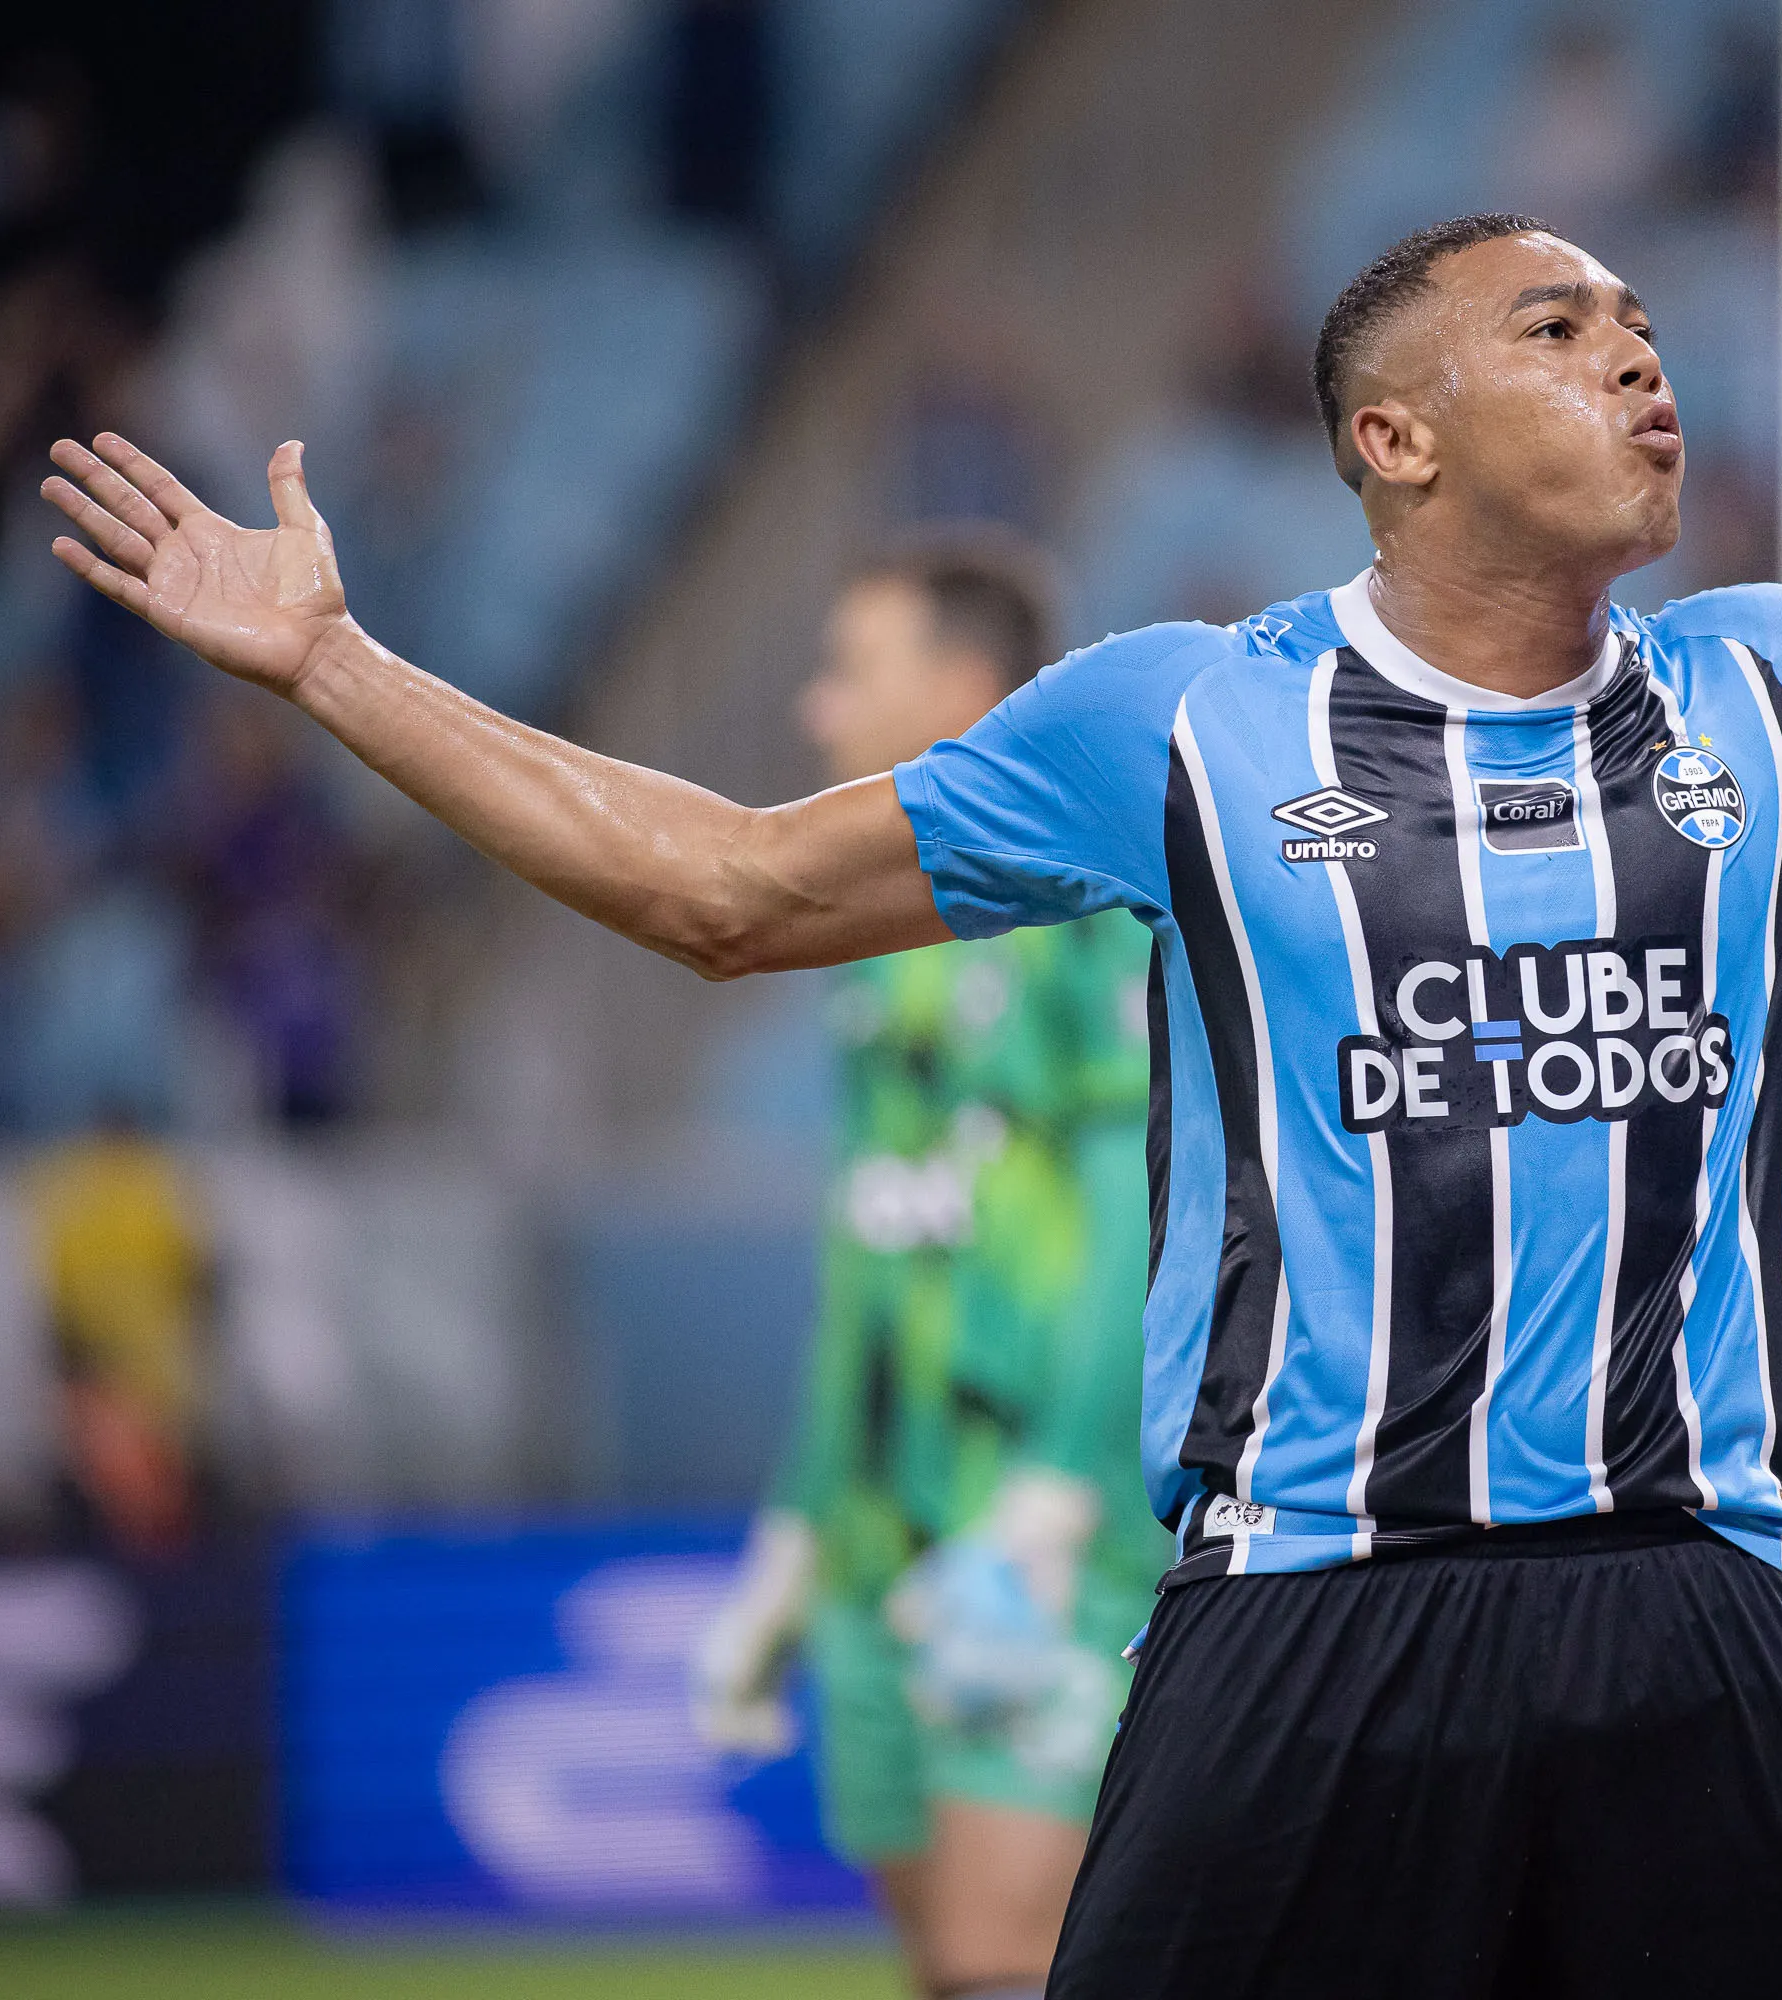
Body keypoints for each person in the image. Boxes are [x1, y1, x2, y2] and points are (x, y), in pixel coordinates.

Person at [42, 147, 1782, 1997]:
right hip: (1307, 1626)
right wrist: (340, 669)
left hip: (1704, 1608)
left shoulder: (1770, 681)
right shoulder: (1171, 728)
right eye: (1558, 326)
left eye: (1638, 323)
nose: (1638, 357)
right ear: (1391, 438)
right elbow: (717, 891)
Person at [684, 534, 1165, 1999]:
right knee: (947, 1968)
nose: (819, 715)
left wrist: (1059, 1491)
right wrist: (797, 1524)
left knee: (1005, 1950)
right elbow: (866, 1261)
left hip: (1036, 1534)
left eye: (850, 673)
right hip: (881, 1544)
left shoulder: (1090, 916)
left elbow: (1136, 1207)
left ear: (960, 690)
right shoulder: (876, 953)